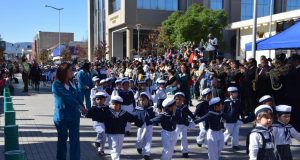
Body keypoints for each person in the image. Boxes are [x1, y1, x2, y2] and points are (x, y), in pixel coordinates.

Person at [52, 62, 87, 160]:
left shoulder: (73, 82)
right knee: (62, 141)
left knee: (75, 141)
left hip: (74, 116)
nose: (73, 71)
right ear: (64, 71)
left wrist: (83, 106)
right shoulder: (56, 84)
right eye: (70, 70)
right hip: (62, 116)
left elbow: (78, 95)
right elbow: (68, 97)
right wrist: (80, 107)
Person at [98, 96, 142, 160]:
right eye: (113, 104)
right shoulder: (107, 112)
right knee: (113, 148)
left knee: (118, 149)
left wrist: (139, 122)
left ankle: (116, 157)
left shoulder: (124, 113)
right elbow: (99, 117)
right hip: (111, 134)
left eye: (116, 104)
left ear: (120, 105)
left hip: (120, 133)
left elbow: (133, 118)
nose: (115, 106)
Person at [133, 92, 156, 160]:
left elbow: (154, 117)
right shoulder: (137, 109)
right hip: (141, 126)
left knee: (148, 140)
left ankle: (146, 154)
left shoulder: (151, 109)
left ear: (148, 100)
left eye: (144, 100)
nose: (142, 101)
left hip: (148, 126)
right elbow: (134, 116)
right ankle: (139, 147)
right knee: (139, 139)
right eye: (140, 100)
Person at [174, 92, 195, 158]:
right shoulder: (173, 107)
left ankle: (185, 152)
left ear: (183, 100)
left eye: (181, 99)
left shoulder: (185, 107)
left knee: (184, 138)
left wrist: (194, 118)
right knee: (174, 138)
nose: (179, 101)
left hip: (184, 125)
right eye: (177, 99)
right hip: (176, 125)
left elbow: (190, 114)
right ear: (175, 99)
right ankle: (171, 148)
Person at [285, 54, 300, 131]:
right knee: (293, 112)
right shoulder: (292, 69)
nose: (290, 62)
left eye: (292, 61)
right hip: (291, 95)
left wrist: (286, 74)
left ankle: (297, 128)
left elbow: (292, 79)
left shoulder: (297, 70)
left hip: (296, 96)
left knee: (296, 113)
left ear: (296, 61)